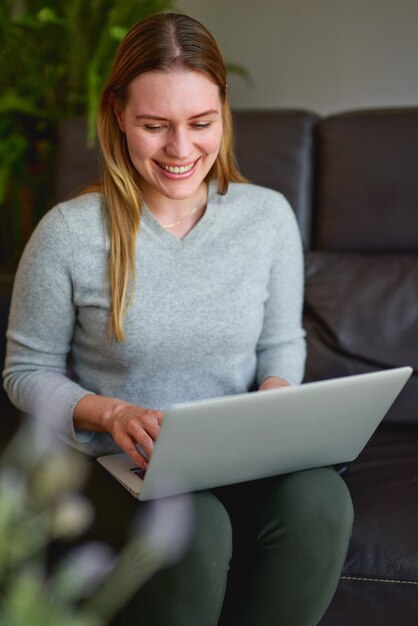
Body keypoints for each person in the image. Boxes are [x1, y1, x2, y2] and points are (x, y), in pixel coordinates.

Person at [3, 12, 353, 626]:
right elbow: (25, 371)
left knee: (321, 499)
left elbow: (281, 344)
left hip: (238, 456)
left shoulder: (267, 218)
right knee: (195, 528)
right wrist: (110, 411)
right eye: (154, 126)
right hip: (118, 469)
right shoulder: (69, 233)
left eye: (201, 123)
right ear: (118, 114)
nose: (181, 149)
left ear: (224, 110)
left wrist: (275, 396)